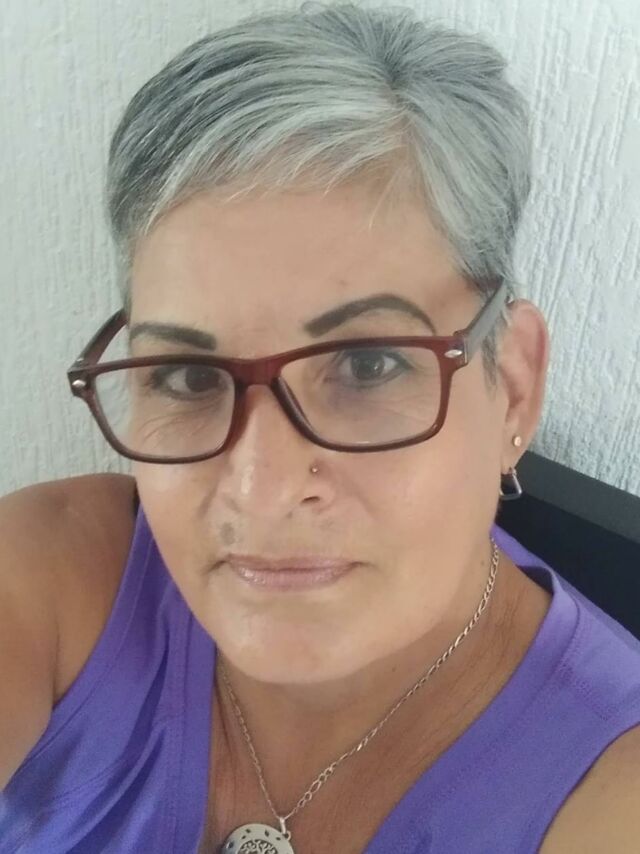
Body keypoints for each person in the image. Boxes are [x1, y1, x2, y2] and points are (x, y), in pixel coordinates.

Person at [1, 3, 640, 852]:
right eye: (189, 376)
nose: (260, 488)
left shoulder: (613, 795)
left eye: (367, 366)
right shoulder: (53, 584)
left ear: (514, 387)